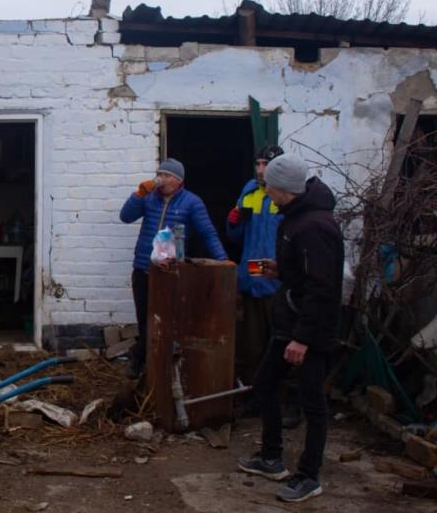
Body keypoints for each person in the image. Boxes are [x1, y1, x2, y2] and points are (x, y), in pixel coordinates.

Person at [237, 154, 344, 503]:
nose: (266, 191)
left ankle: (309, 476)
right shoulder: (296, 216)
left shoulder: (315, 227)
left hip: (310, 329)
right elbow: (304, 273)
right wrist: (279, 269)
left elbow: (322, 288)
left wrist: (302, 338)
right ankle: (271, 458)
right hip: (290, 321)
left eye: (270, 186)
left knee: (312, 402)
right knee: (265, 384)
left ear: (285, 189)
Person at [119, 158, 229, 379]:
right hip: (143, 268)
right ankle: (144, 362)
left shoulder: (191, 202)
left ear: (178, 180)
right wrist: (138, 194)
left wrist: (222, 259)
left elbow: (207, 232)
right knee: (144, 319)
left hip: (170, 270)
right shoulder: (149, 198)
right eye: (159, 173)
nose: (160, 178)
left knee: (166, 319)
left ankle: (149, 362)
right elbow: (125, 217)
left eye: (166, 175)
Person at [226, 145, 284, 387]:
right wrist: (233, 223)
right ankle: (256, 394)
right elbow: (237, 238)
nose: (261, 170)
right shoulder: (249, 192)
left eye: (266, 164)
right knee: (253, 342)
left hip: (278, 278)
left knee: (279, 339)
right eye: (258, 164)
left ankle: (280, 394)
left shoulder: (284, 195)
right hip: (252, 275)